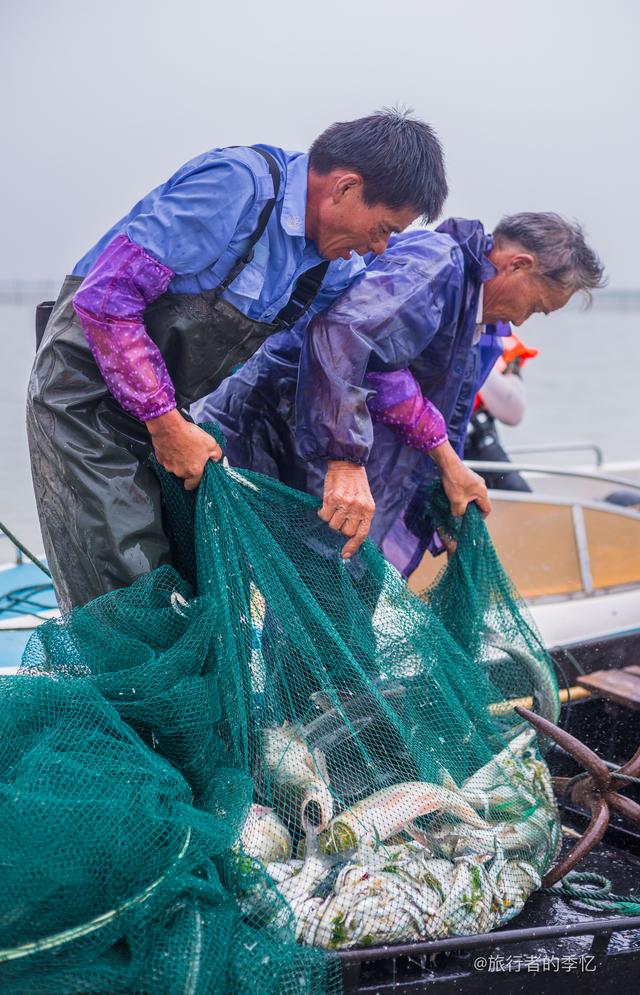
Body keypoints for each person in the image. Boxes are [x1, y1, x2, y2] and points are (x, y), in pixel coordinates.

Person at [26, 110, 448, 610]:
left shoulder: (330, 271)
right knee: (128, 582)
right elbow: (105, 298)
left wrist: (348, 459)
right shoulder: (238, 187)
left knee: (195, 581)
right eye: (382, 229)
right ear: (345, 187)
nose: (379, 247)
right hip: (84, 402)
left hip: (167, 416)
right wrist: (165, 425)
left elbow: (350, 360)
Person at [197, 213, 605, 577]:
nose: (521, 320)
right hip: (273, 435)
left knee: (336, 603)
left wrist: (442, 491)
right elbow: (360, 350)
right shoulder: (435, 264)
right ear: (519, 265)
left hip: (327, 459)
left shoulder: (476, 318)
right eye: (534, 306)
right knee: (296, 596)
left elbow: (448, 416)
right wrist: (445, 459)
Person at [463, 329, 539, 492]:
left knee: (521, 495)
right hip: (434, 441)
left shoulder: (497, 335)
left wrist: (477, 358)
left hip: (478, 437)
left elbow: (514, 413)